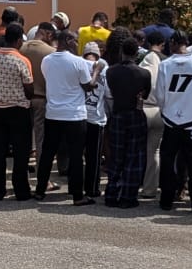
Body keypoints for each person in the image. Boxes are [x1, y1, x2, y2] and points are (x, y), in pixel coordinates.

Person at [35, 30, 99, 205]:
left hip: (53, 113)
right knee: (76, 155)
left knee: (48, 153)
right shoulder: (78, 62)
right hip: (74, 115)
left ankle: (40, 190)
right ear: (68, 40)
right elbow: (88, 86)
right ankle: (77, 195)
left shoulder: (46, 61)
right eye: (75, 41)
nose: (76, 44)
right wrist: (96, 72)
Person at [154, 31, 192, 214]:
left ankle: (166, 199)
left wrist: (166, 113)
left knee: (168, 160)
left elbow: (160, 94)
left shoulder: (165, 65)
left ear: (173, 43)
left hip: (171, 121)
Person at [0, 23, 34, 201]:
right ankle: (21, 190)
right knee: (21, 152)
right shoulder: (21, 60)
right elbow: (29, 88)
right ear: (19, 40)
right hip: (18, 110)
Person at [103, 38, 152, 208]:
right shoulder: (144, 73)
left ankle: (111, 194)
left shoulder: (111, 72)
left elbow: (109, 94)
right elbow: (145, 96)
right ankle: (128, 196)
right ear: (136, 53)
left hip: (118, 113)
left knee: (116, 156)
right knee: (134, 157)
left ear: (122, 52)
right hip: (135, 113)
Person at [21, 22, 56, 172]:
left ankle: (22, 174)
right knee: (41, 139)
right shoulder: (51, 52)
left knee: (22, 138)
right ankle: (42, 176)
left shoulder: (20, 48)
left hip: (22, 99)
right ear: (47, 33)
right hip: (42, 98)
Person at [81, 41, 109, 199]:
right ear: (98, 54)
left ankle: (75, 186)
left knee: (77, 154)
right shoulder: (105, 69)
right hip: (96, 117)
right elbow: (109, 94)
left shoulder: (78, 65)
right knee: (94, 156)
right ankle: (92, 189)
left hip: (78, 116)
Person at [139, 30, 165, 199]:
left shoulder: (142, 61)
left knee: (136, 150)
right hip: (160, 110)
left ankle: (133, 184)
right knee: (154, 151)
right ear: (162, 44)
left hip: (143, 108)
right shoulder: (166, 62)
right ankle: (150, 189)